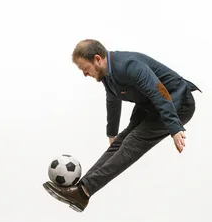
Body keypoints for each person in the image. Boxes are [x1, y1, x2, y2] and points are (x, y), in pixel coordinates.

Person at [42, 39, 201, 212]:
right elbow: (113, 101)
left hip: (177, 103)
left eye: (84, 69)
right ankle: (79, 191)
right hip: (150, 106)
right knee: (119, 144)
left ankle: (84, 190)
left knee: (132, 143)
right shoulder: (107, 75)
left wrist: (175, 128)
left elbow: (159, 91)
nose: (85, 74)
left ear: (97, 59)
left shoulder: (128, 65)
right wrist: (112, 134)